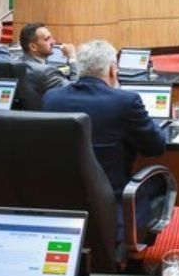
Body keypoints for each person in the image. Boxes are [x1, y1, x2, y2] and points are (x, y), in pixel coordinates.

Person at [42, 40, 165, 200]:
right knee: (161, 181)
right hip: (113, 199)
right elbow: (156, 147)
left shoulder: (52, 98)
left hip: (62, 197)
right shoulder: (126, 102)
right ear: (113, 70)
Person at [20, 22, 78, 100]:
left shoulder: (16, 63)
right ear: (33, 47)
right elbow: (76, 91)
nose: (53, 42)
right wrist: (72, 58)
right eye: (47, 39)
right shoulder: (46, 72)